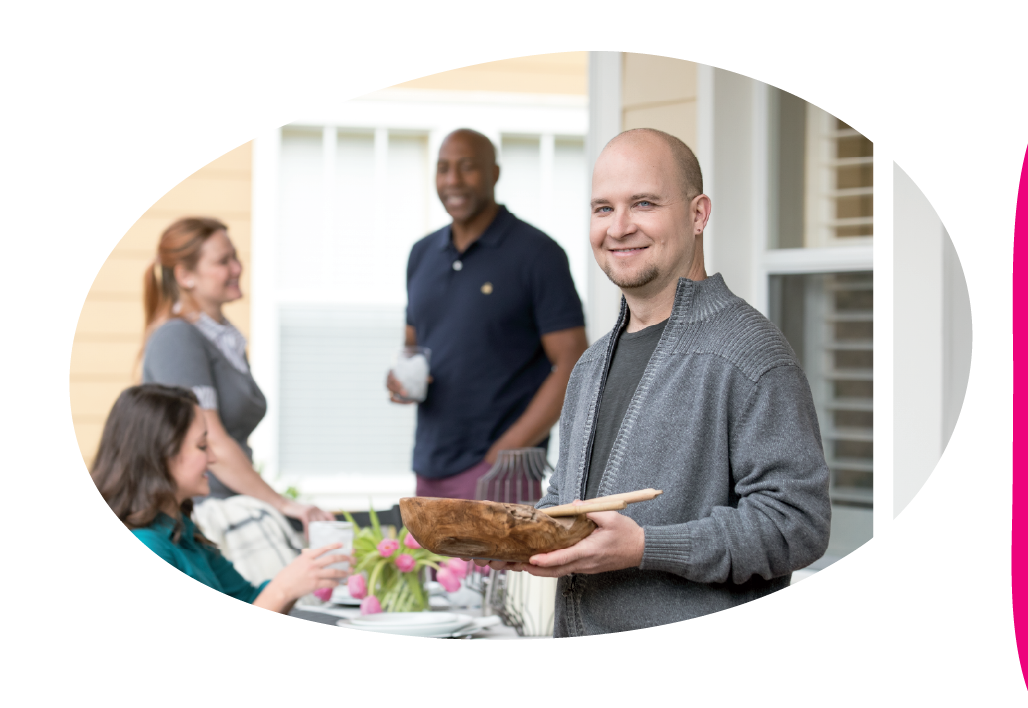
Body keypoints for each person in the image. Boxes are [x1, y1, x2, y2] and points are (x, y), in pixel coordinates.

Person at [477, 128, 833, 636]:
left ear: (698, 214)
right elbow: (566, 500)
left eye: (643, 203)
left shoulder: (750, 354)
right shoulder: (591, 364)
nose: (619, 227)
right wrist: (519, 536)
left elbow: (796, 525)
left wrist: (645, 547)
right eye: (603, 208)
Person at [386, 129, 588, 499]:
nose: (453, 181)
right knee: (428, 560)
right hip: (429, 464)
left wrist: (507, 450)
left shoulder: (537, 254)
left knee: (495, 562)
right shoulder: (422, 254)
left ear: (494, 173)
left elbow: (573, 361)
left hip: (501, 471)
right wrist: (401, 379)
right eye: (443, 168)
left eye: (467, 168)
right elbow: (414, 344)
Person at [140, 217, 335, 542]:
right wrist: (282, 504)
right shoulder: (178, 338)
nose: (236, 268)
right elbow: (211, 439)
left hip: (232, 505)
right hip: (201, 515)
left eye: (235, 257)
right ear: (185, 276)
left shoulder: (223, 339)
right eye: (222, 261)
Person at [92, 384, 351, 614]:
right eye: (202, 446)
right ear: (162, 453)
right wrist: (283, 588)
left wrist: (301, 578)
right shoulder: (145, 545)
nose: (213, 459)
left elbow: (248, 601)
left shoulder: (184, 533)